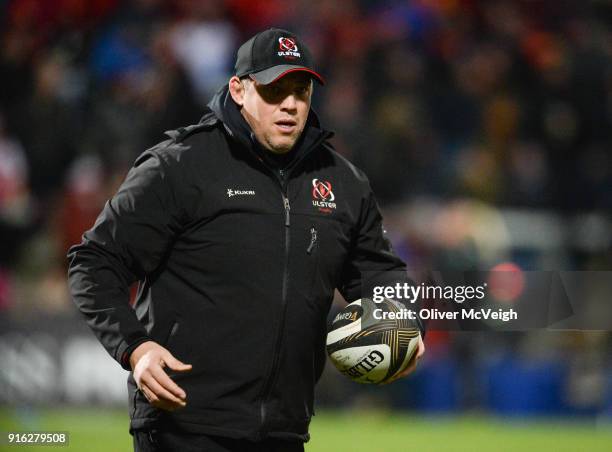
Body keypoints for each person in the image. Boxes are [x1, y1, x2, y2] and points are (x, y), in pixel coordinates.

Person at [67, 28, 425, 452]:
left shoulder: (343, 182)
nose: (290, 104)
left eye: (301, 90)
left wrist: (401, 319)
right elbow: (94, 262)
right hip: (183, 425)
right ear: (238, 89)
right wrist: (136, 348)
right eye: (275, 90)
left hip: (283, 430)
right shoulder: (180, 166)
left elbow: (377, 272)